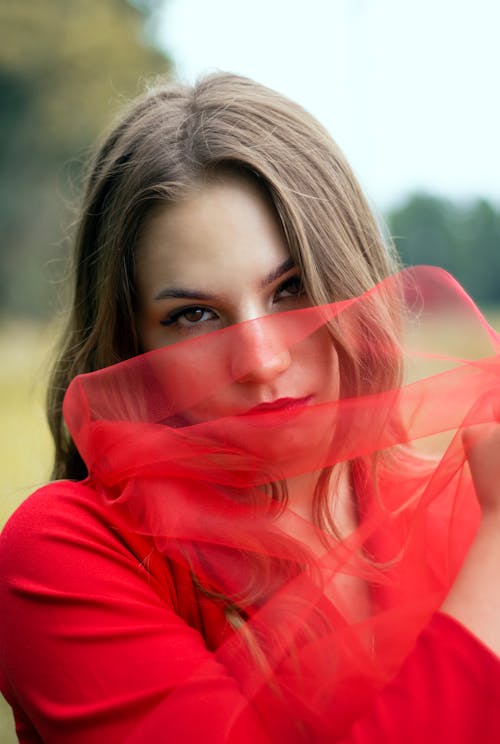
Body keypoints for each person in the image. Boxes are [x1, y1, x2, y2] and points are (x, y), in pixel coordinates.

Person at [1, 72, 499, 743]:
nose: (262, 359)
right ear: (129, 342)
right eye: (195, 314)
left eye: (292, 288)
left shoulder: (453, 508)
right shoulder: (61, 555)